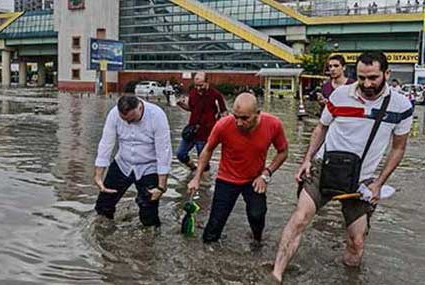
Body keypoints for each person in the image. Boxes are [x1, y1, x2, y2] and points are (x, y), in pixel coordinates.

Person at [271, 52, 413, 283]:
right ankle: (276, 275)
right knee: (299, 219)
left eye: (373, 78)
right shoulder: (339, 96)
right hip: (324, 168)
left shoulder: (401, 106)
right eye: (361, 78)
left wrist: (378, 184)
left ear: (387, 74)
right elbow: (321, 128)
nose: (367, 84)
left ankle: (348, 278)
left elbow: (398, 148)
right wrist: (307, 159)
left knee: (356, 242)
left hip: (361, 179)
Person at [187, 93, 289, 244]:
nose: (239, 123)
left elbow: (283, 152)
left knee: (257, 216)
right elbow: (207, 150)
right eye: (236, 117)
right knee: (213, 227)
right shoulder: (224, 124)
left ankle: (257, 242)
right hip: (226, 179)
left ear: (257, 114)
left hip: (255, 179)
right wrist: (196, 177)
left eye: (245, 118)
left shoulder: (273, 124)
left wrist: (266, 173)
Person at [93, 95, 172, 228]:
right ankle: (103, 235)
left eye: (132, 119)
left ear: (140, 108)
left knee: (149, 214)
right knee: (103, 206)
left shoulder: (157, 115)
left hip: (149, 166)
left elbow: (163, 151)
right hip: (123, 163)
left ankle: (150, 242)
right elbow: (106, 143)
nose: (129, 123)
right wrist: (98, 175)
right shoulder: (114, 114)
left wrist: (161, 186)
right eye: (125, 120)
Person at [176, 72, 228, 171]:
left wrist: (222, 124)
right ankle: (192, 168)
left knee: (203, 160)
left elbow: (224, 112)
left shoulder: (216, 95)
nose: (198, 88)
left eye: (200, 85)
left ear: (207, 82)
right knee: (180, 154)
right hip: (191, 131)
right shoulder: (193, 92)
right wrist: (181, 105)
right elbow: (191, 108)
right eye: (196, 85)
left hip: (205, 133)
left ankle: (205, 182)